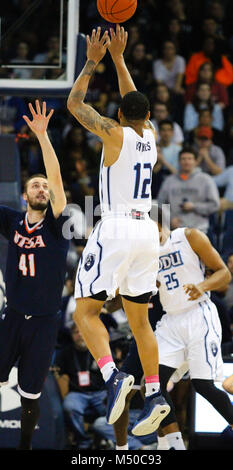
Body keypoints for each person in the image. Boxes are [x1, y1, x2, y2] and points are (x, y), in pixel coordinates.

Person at [67, 24, 170, 435]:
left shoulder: (113, 133)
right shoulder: (150, 136)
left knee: (84, 310)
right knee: (140, 321)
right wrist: (120, 60)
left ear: (120, 115)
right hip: (147, 232)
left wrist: (94, 59)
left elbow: (75, 103)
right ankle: (155, 393)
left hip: (115, 228)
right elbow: (134, 102)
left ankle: (112, 378)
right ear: (147, 116)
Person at [113, 207, 233, 450]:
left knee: (204, 385)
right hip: (170, 322)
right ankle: (176, 447)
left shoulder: (189, 237)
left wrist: (202, 285)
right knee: (152, 385)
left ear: (159, 224)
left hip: (199, 315)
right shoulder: (145, 255)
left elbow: (224, 274)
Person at [0, 100, 69, 450]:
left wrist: (42, 138)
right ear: (25, 195)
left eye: (45, 187)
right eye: (36, 186)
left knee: (29, 397)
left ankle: (25, 446)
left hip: (44, 323)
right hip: (11, 317)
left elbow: (56, 179)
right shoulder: (13, 220)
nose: (42, 189)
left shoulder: (59, 226)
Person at [55, 323, 106, 449]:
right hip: (77, 394)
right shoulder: (65, 353)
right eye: (76, 332)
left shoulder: (99, 349)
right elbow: (57, 373)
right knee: (69, 406)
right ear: (72, 335)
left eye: (83, 331)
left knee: (113, 405)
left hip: (100, 392)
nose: (80, 335)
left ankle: (105, 438)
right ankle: (84, 441)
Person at [158, 145, 219, 233]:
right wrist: (170, 219)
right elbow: (161, 203)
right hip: (175, 231)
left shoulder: (206, 180)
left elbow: (214, 205)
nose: (186, 162)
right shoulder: (169, 181)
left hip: (199, 230)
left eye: (190, 159)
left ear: (195, 161)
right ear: (179, 161)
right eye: (183, 159)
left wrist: (195, 206)